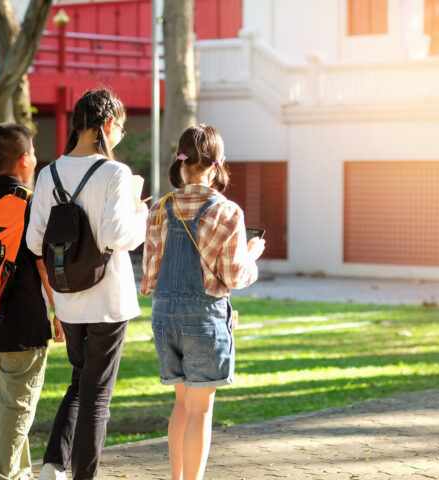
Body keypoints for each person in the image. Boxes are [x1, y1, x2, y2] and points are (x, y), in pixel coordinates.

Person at [26, 89, 148, 480]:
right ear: (107, 125)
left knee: (80, 384)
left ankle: (52, 465)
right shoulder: (115, 173)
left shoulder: (48, 174)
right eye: (121, 130)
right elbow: (118, 235)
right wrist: (141, 212)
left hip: (69, 301)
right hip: (108, 301)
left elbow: (33, 242)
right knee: (97, 397)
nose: (120, 137)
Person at [141, 124, 265, 480]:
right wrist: (252, 254)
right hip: (204, 319)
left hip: (164, 317)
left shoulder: (160, 208)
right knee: (200, 411)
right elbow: (236, 276)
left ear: (181, 165)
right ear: (215, 165)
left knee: (181, 404)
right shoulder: (227, 212)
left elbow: (149, 278)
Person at [0, 123, 61, 480]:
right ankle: (2, 477)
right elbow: (43, 265)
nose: (35, 157)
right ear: (23, 159)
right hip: (23, 323)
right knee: (17, 407)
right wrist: (59, 312)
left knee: (0, 401)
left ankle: (17, 475)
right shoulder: (29, 204)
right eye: (33, 151)